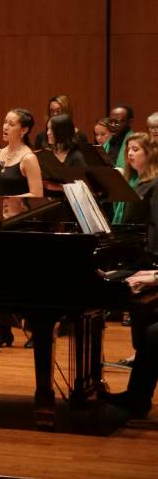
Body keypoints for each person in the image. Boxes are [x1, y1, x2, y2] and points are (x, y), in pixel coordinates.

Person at [102, 134, 158, 419]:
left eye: (137, 149)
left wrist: (155, 276)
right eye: (129, 150)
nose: (131, 154)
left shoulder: (155, 186)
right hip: (147, 263)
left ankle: (138, 397)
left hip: (151, 264)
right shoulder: (135, 183)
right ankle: (137, 397)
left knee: (151, 334)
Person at [0, 108, 44, 347]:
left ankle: (37, 330)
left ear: (25, 129)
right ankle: (4, 329)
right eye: (4, 122)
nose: (5, 127)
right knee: (0, 280)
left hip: (21, 226)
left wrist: (10, 197)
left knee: (24, 282)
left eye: (11, 123)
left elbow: (37, 193)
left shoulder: (28, 158)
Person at [106, 104, 134, 169]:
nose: (113, 125)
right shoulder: (107, 142)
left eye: (117, 122)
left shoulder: (135, 142)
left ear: (130, 121)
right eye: (111, 121)